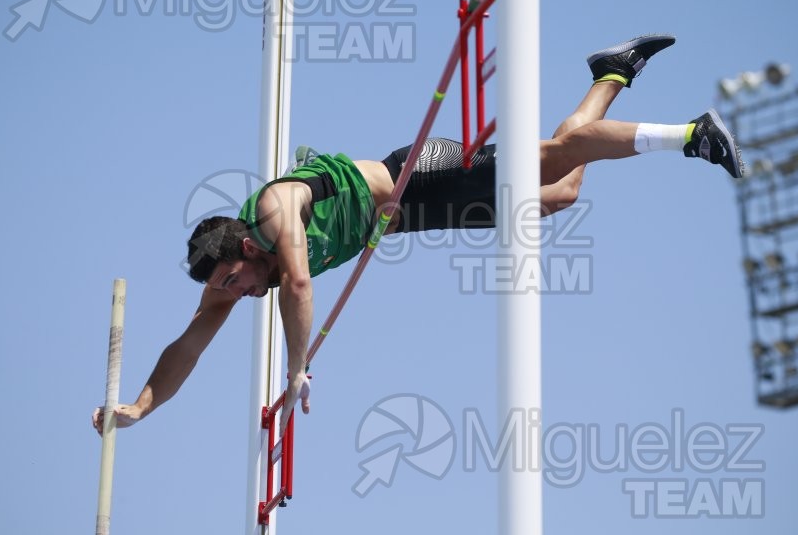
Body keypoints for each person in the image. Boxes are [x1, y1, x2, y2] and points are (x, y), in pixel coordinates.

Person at [92, 34, 744, 437]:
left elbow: (295, 282)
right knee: (564, 190)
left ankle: (691, 136)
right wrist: (138, 407)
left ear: (246, 249)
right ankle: (612, 71)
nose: (233, 293)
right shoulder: (229, 282)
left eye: (231, 279)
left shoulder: (275, 211)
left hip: (417, 176)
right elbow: (188, 345)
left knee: (555, 158)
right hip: (415, 215)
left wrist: (297, 369)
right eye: (224, 289)